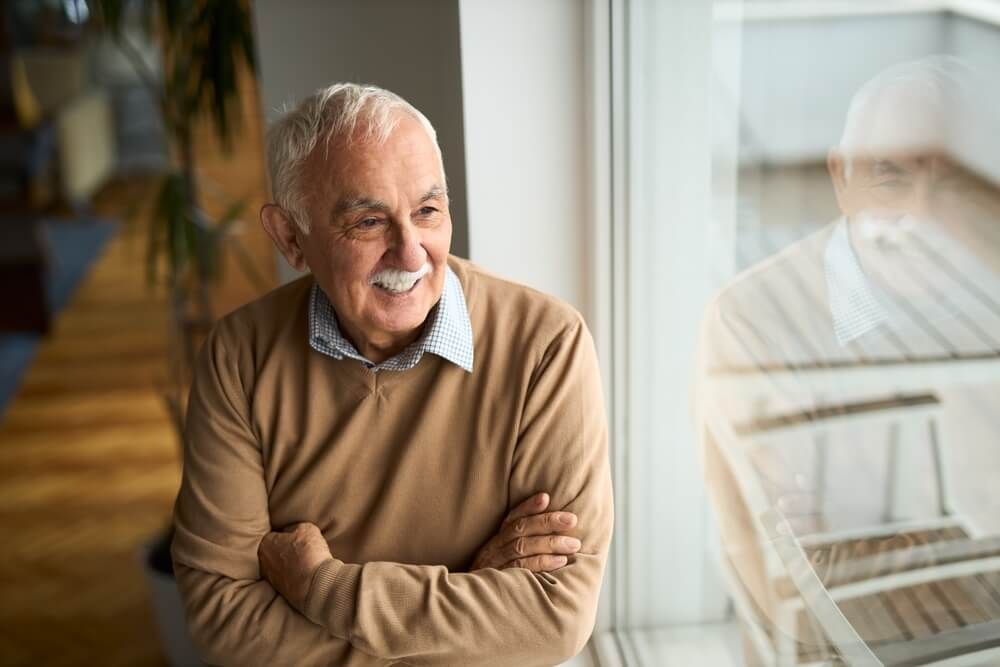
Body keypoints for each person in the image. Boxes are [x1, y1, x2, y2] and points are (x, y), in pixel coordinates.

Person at [170, 83, 613, 666]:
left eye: (428, 211)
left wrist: (319, 588)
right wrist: (467, 599)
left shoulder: (546, 347)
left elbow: (553, 621)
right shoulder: (239, 358)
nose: (411, 253)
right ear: (290, 238)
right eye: (369, 222)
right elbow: (225, 621)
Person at [696, 56, 1000, 663]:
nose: (923, 214)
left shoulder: (983, 291)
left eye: (950, 185)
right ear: (840, 177)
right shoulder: (752, 319)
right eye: (891, 178)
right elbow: (798, 576)